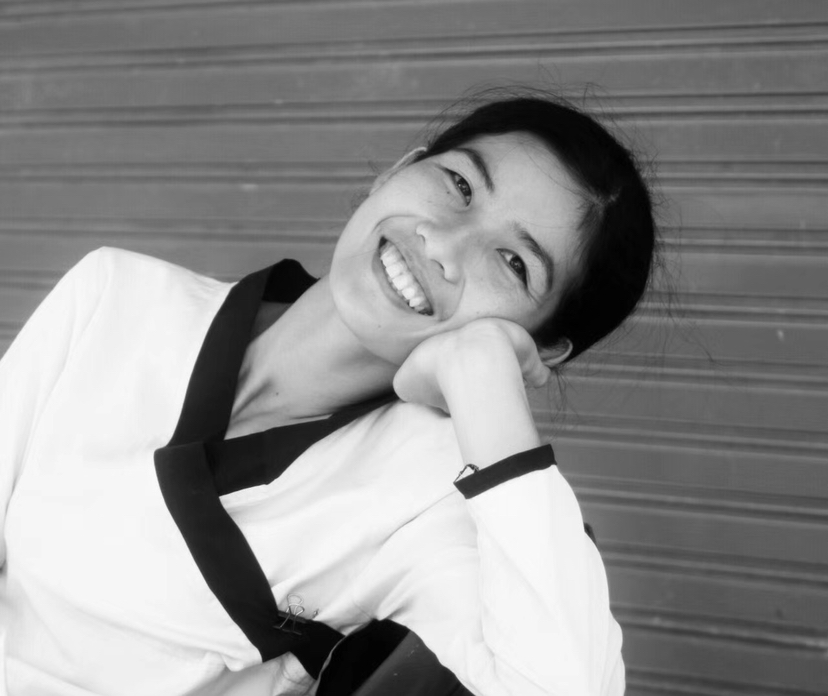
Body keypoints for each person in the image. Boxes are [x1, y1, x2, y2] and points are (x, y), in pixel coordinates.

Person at [0, 92, 655, 696]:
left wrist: (485, 377)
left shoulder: (430, 493)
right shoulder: (116, 295)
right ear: (398, 170)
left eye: (513, 264)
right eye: (459, 185)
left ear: (543, 347)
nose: (441, 243)